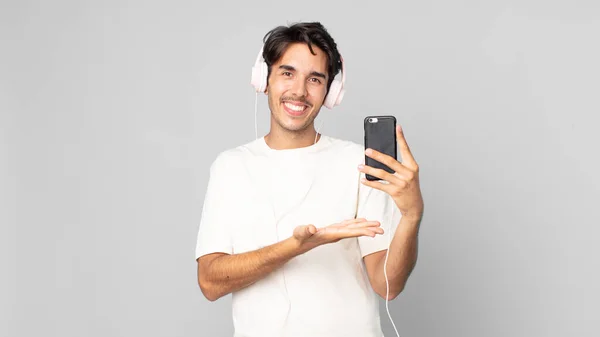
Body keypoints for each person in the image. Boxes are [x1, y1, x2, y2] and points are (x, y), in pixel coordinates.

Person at [195, 21, 424, 337]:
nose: (299, 91)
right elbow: (209, 281)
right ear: (264, 78)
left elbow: (388, 286)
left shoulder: (359, 164)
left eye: (314, 79)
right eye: (287, 73)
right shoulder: (230, 167)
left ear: (331, 91)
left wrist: (412, 216)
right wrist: (296, 246)